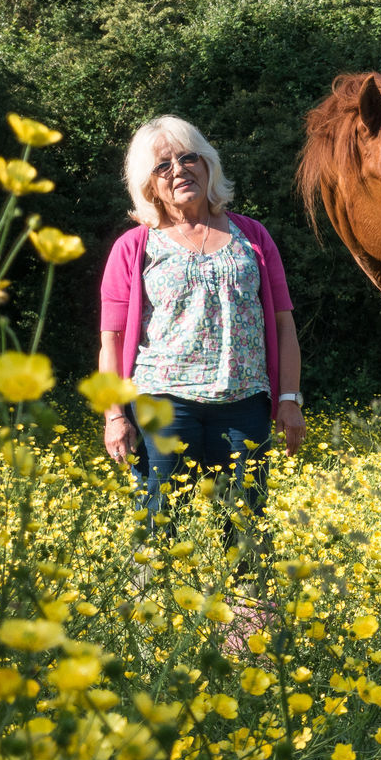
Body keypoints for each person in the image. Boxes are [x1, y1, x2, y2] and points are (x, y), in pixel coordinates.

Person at [99, 115, 305, 586]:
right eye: (162, 165)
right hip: (163, 402)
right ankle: (155, 634)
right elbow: (110, 341)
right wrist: (115, 415)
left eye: (187, 157)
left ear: (208, 164)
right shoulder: (135, 246)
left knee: (248, 524)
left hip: (245, 404)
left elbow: (284, 325)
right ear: (148, 185)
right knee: (160, 519)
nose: (178, 170)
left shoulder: (252, 237)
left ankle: (250, 633)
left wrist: (289, 400)